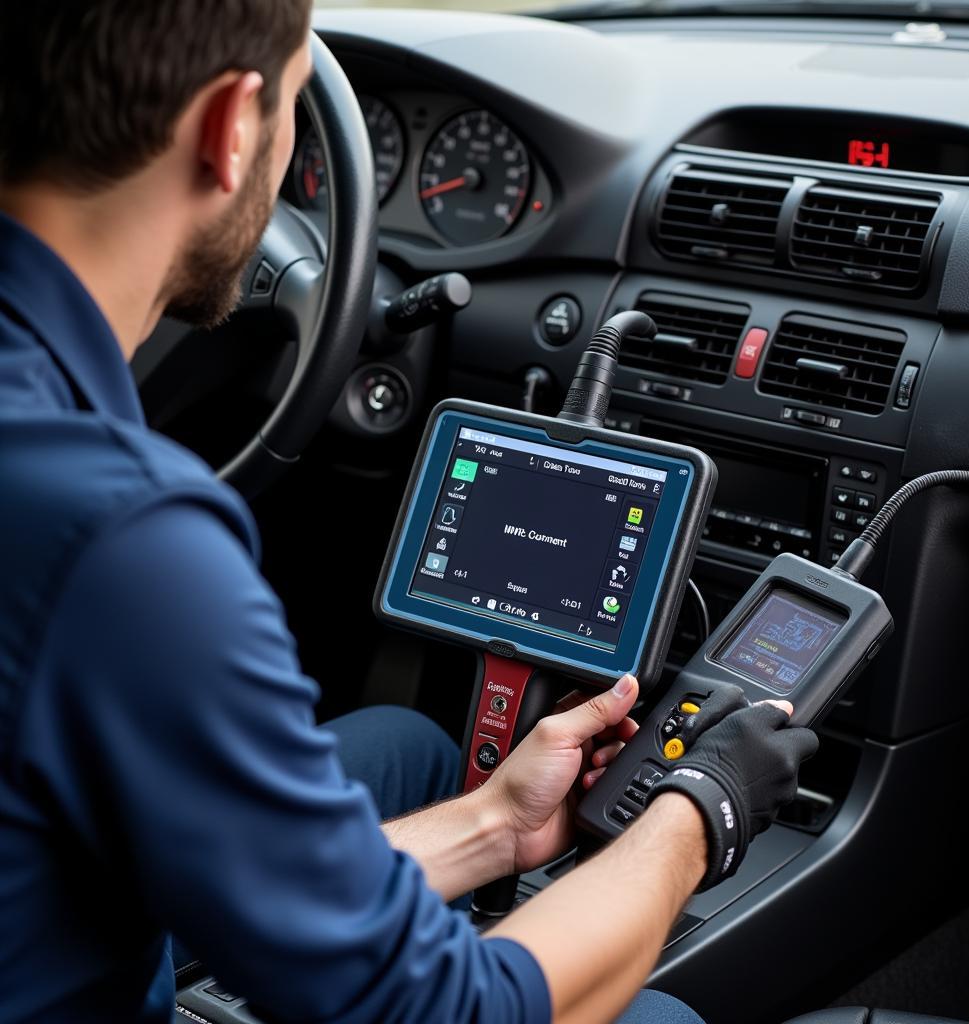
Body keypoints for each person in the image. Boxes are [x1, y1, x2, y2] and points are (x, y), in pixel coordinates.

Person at [0, 3, 818, 1023]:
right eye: (299, 102)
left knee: (410, 745)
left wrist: (488, 825)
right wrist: (701, 810)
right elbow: (453, 1008)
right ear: (227, 128)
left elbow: (180, 861)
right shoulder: (120, 545)